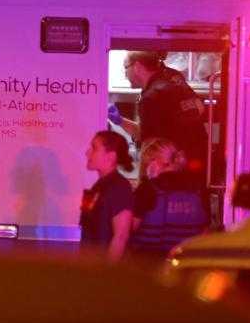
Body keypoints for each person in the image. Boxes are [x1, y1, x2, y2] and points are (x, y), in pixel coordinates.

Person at [117, 50, 209, 177]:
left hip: (172, 172)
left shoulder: (151, 97)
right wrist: (120, 121)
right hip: (197, 164)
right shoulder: (171, 80)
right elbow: (199, 107)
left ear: (137, 67)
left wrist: (142, 183)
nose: (126, 74)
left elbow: (150, 144)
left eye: (125, 68)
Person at [130, 138, 209, 261]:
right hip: (185, 264)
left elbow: (129, 228)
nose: (147, 169)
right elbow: (205, 232)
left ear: (157, 161)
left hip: (148, 265)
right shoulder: (198, 190)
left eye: (148, 163)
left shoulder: (147, 190)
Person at [79, 130, 134, 261]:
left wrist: (107, 273)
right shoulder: (99, 186)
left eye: (94, 148)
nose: (87, 153)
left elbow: (121, 236)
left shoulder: (119, 187)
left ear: (111, 156)